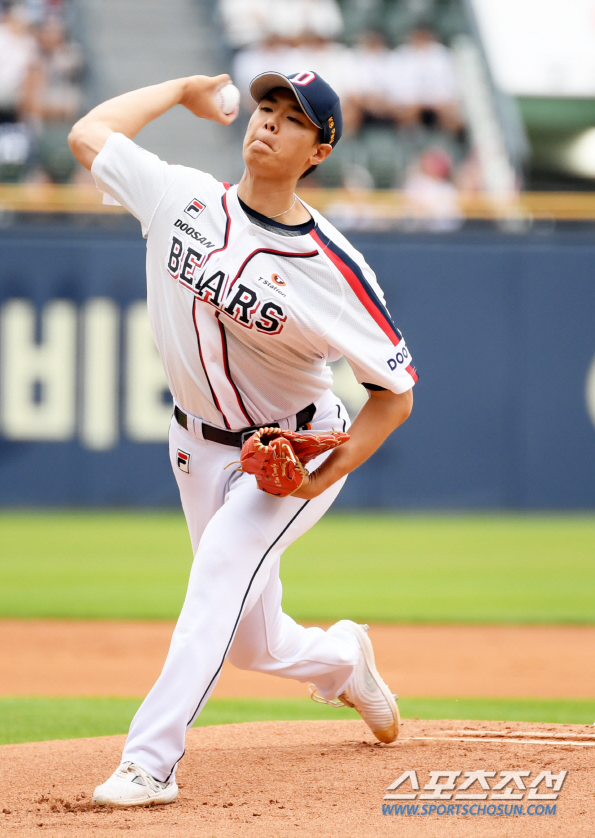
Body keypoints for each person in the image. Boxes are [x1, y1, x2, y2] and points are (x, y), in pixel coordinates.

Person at [68, 69, 417, 808]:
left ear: (318, 151)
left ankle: (149, 762)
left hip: (287, 456)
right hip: (194, 447)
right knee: (256, 640)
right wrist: (182, 87)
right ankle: (343, 659)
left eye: (293, 119)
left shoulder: (334, 271)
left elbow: (395, 396)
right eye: (266, 107)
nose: (269, 123)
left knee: (219, 574)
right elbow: (88, 134)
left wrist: (320, 478)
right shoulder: (180, 197)